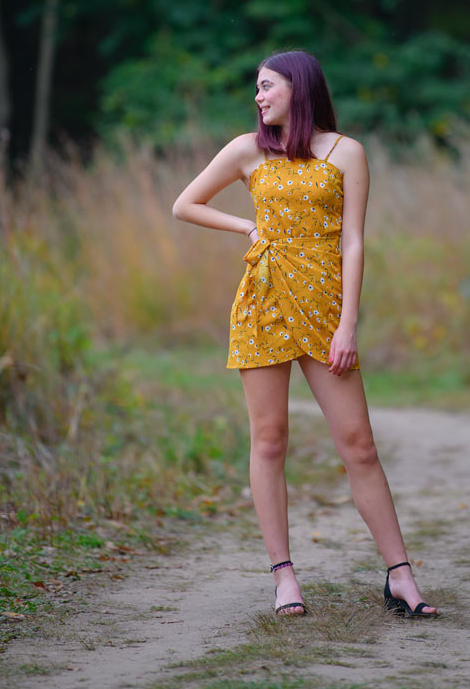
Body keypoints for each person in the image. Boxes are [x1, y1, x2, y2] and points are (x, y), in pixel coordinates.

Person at [173, 49, 438, 619]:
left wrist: (348, 323)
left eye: (267, 87)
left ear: (299, 87)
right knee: (269, 441)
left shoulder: (348, 153)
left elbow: (354, 243)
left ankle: (400, 575)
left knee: (359, 445)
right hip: (262, 304)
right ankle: (284, 575)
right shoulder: (247, 150)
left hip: (325, 313)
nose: (259, 97)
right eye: (256, 90)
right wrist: (245, 224)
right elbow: (185, 204)